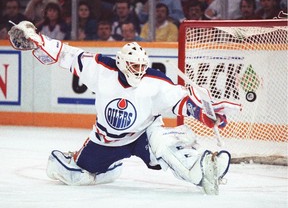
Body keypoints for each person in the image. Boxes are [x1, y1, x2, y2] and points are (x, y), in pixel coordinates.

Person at [8, 20, 241, 195]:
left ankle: (203, 168)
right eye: (133, 65)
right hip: (105, 142)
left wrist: (204, 114)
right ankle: (91, 163)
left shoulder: (155, 81)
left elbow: (182, 100)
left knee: (165, 147)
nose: (138, 70)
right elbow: (66, 54)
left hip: (142, 135)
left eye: (142, 66)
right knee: (77, 175)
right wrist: (37, 40)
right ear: (121, 63)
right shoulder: (101, 69)